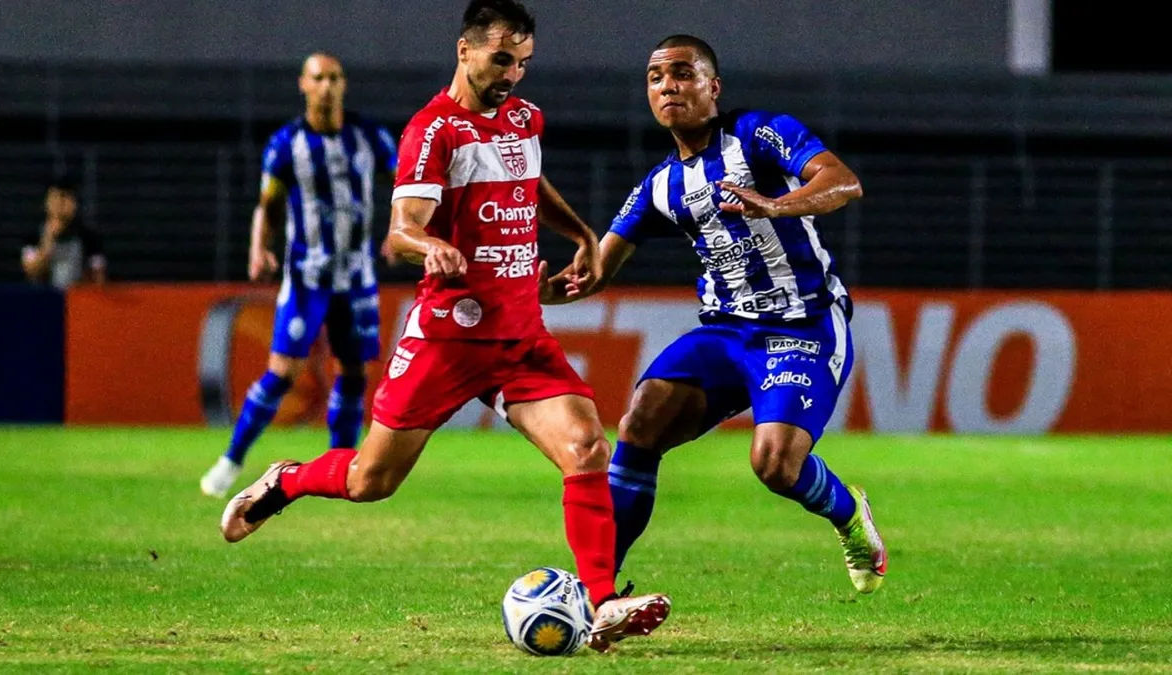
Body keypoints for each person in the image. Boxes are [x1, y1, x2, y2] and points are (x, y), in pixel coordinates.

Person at [219, 0, 669, 652]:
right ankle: (287, 479)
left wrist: (580, 232)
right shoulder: (434, 131)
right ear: (465, 51)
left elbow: (528, 180)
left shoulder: (523, 119)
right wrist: (427, 245)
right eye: (501, 59)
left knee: (587, 448)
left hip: (519, 336)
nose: (513, 74)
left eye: (523, 62)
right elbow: (402, 224)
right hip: (449, 338)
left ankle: (601, 603)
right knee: (371, 479)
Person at [544, 35, 887, 594]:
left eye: (682, 73)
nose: (667, 86)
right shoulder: (658, 185)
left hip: (803, 325)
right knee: (639, 422)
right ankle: (597, 589)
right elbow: (594, 272)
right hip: (727, 333)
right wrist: (539, 291)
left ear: (712, 87)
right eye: (656, 77)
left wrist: (776, 204)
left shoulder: (756, 133)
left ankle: (849, 514)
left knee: (775, 464)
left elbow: (843, 181)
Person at [199, 52, 399, 498]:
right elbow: (267, 205)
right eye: (318, 78)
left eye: (334, 78)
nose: (327, 86)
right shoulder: (286, 144)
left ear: (343, 85)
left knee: (352, 373)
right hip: (307, 278)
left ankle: (339, 468)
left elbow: (405, 185)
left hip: (357, 277)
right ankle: (231, 459)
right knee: (283, 372)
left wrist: (399, 230)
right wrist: (258, 248)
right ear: (303, 85)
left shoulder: (370, 137)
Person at [21, 177, 106, 289]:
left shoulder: (89, 238)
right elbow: (32, 271)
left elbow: (98, 279)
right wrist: (48, 240)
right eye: (55, 199)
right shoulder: (33, 236)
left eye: (65, 199)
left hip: (77, 300)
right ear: (46, 203)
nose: (60, 205)